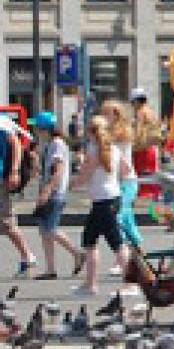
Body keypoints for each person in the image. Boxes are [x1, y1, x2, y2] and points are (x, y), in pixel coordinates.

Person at [75, 114, 129, 297]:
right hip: (111, 197)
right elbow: (127, 170)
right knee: (90, 240)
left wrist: (72, 184)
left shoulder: (93, 149)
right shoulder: (113, 148)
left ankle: (131, 284)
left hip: (102, 201)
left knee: (116, 243)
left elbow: (85, 175)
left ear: (90, 131)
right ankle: (90, 285)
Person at [30, 112, 76, 280]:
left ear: (44, 129)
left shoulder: (57, 144)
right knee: (44, 231)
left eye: (37, 128)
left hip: (54, 193)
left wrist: (47, 191)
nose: (36, 131)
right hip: (49, 191)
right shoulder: (50, 144)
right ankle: (50, 269)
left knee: (50, 229)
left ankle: (77, 253)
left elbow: (57, 170)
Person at [100, 99, 145, 265]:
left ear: (116, 114)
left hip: (127, 181)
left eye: (106, 113)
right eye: (102, 113)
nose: (103, 116)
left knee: (119, 216)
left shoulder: (123, 131)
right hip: (115, 181)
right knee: (127, 218)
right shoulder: (107, 132)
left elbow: (113, 144)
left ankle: (123, 259)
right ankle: (137, 252)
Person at [1, 115, 40, 277]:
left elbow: (16, 144)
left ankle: (28, 258)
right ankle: (27, 257)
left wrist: (14, 171)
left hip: (1, 178)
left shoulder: (2, 124)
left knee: (7, 222)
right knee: (6, 222)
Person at [130, 88, 163, 178]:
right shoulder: (151, 111)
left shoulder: (140, 112)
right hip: (151, 149)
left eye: (132, 103)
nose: (132, 106)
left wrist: (132, 146)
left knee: (142, 179)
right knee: (150, 178)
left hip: (142, 151)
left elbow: (138, 132)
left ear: (136, 101)